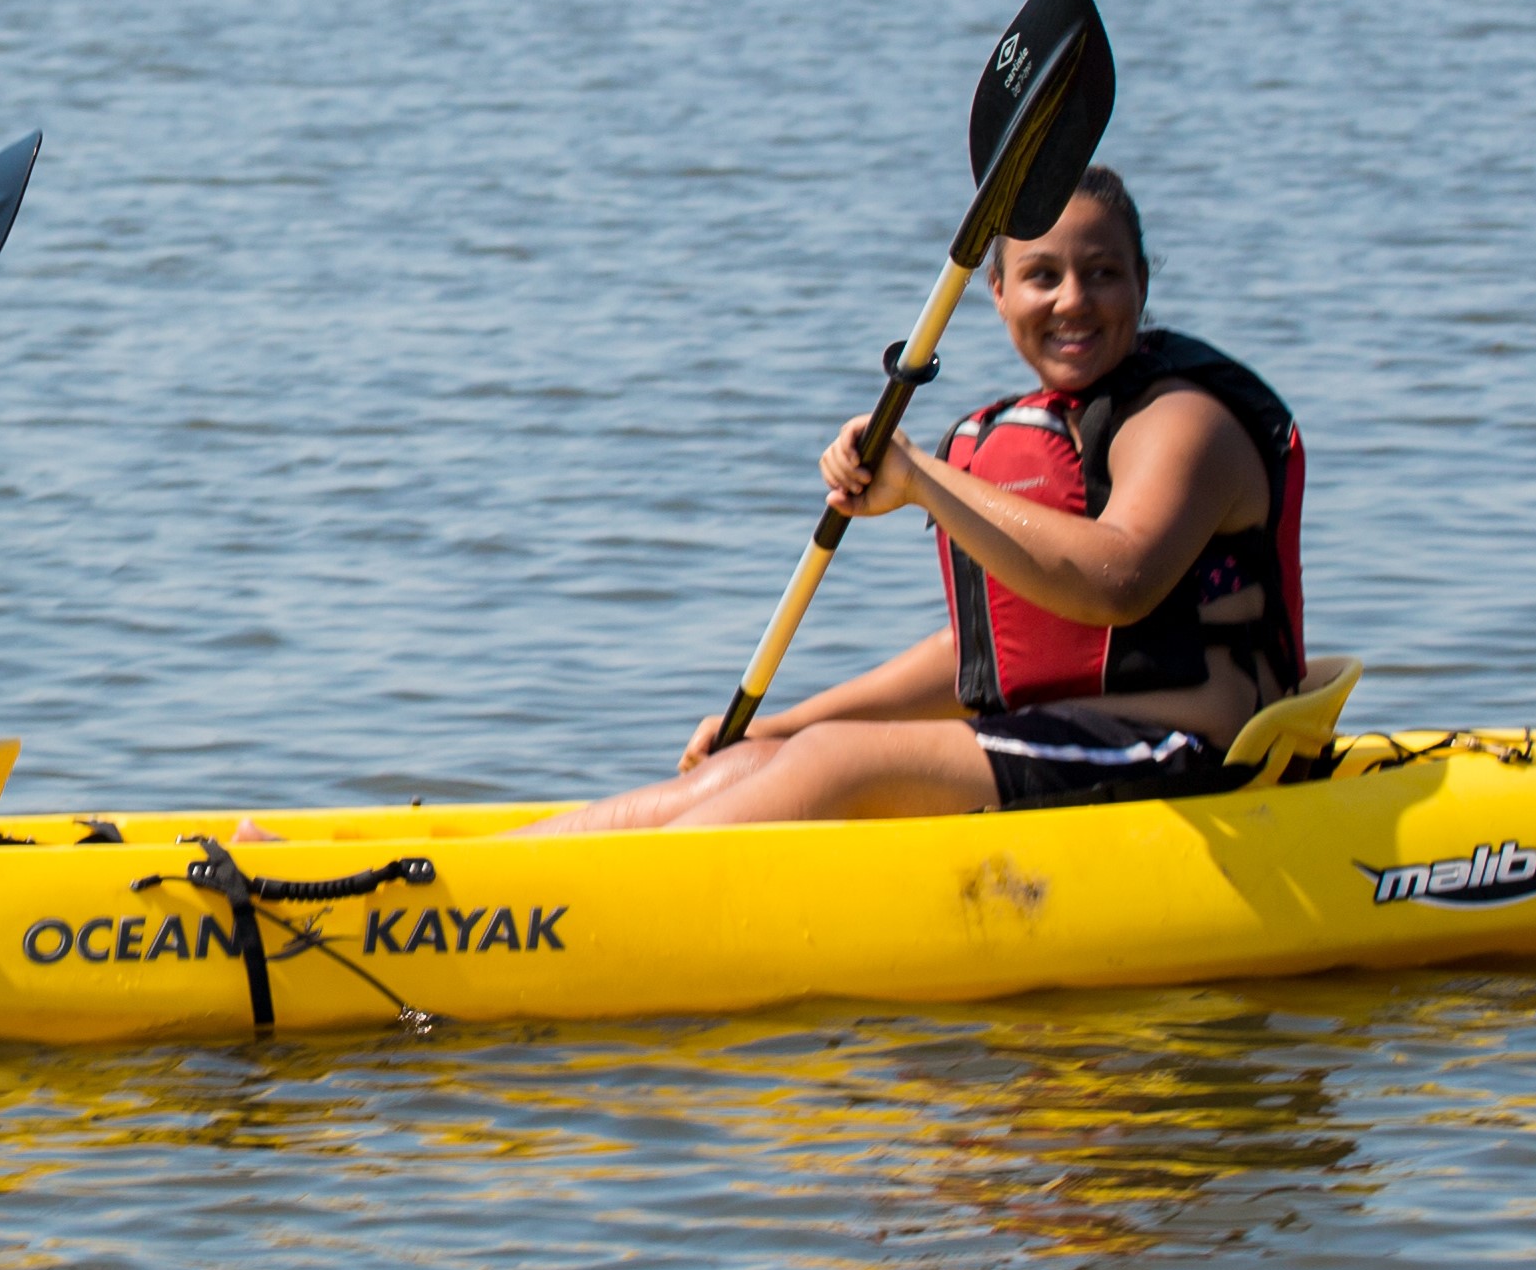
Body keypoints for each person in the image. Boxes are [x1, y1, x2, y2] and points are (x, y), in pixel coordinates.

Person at [522, 166, 1300, 835]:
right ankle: (492, 873)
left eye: (1103, 272)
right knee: (770, 757)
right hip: (1080, 739)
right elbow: (978, 648)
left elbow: (1117, 581)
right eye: (1041, 275)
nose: (1073, 300)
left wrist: (920, 478)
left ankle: (561, 910)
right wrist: (792, 722)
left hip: (1192, 756)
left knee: (834, 763)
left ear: (1141, 282)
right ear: (996, 293)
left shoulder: (1182, 422)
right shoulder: (1043, 431)